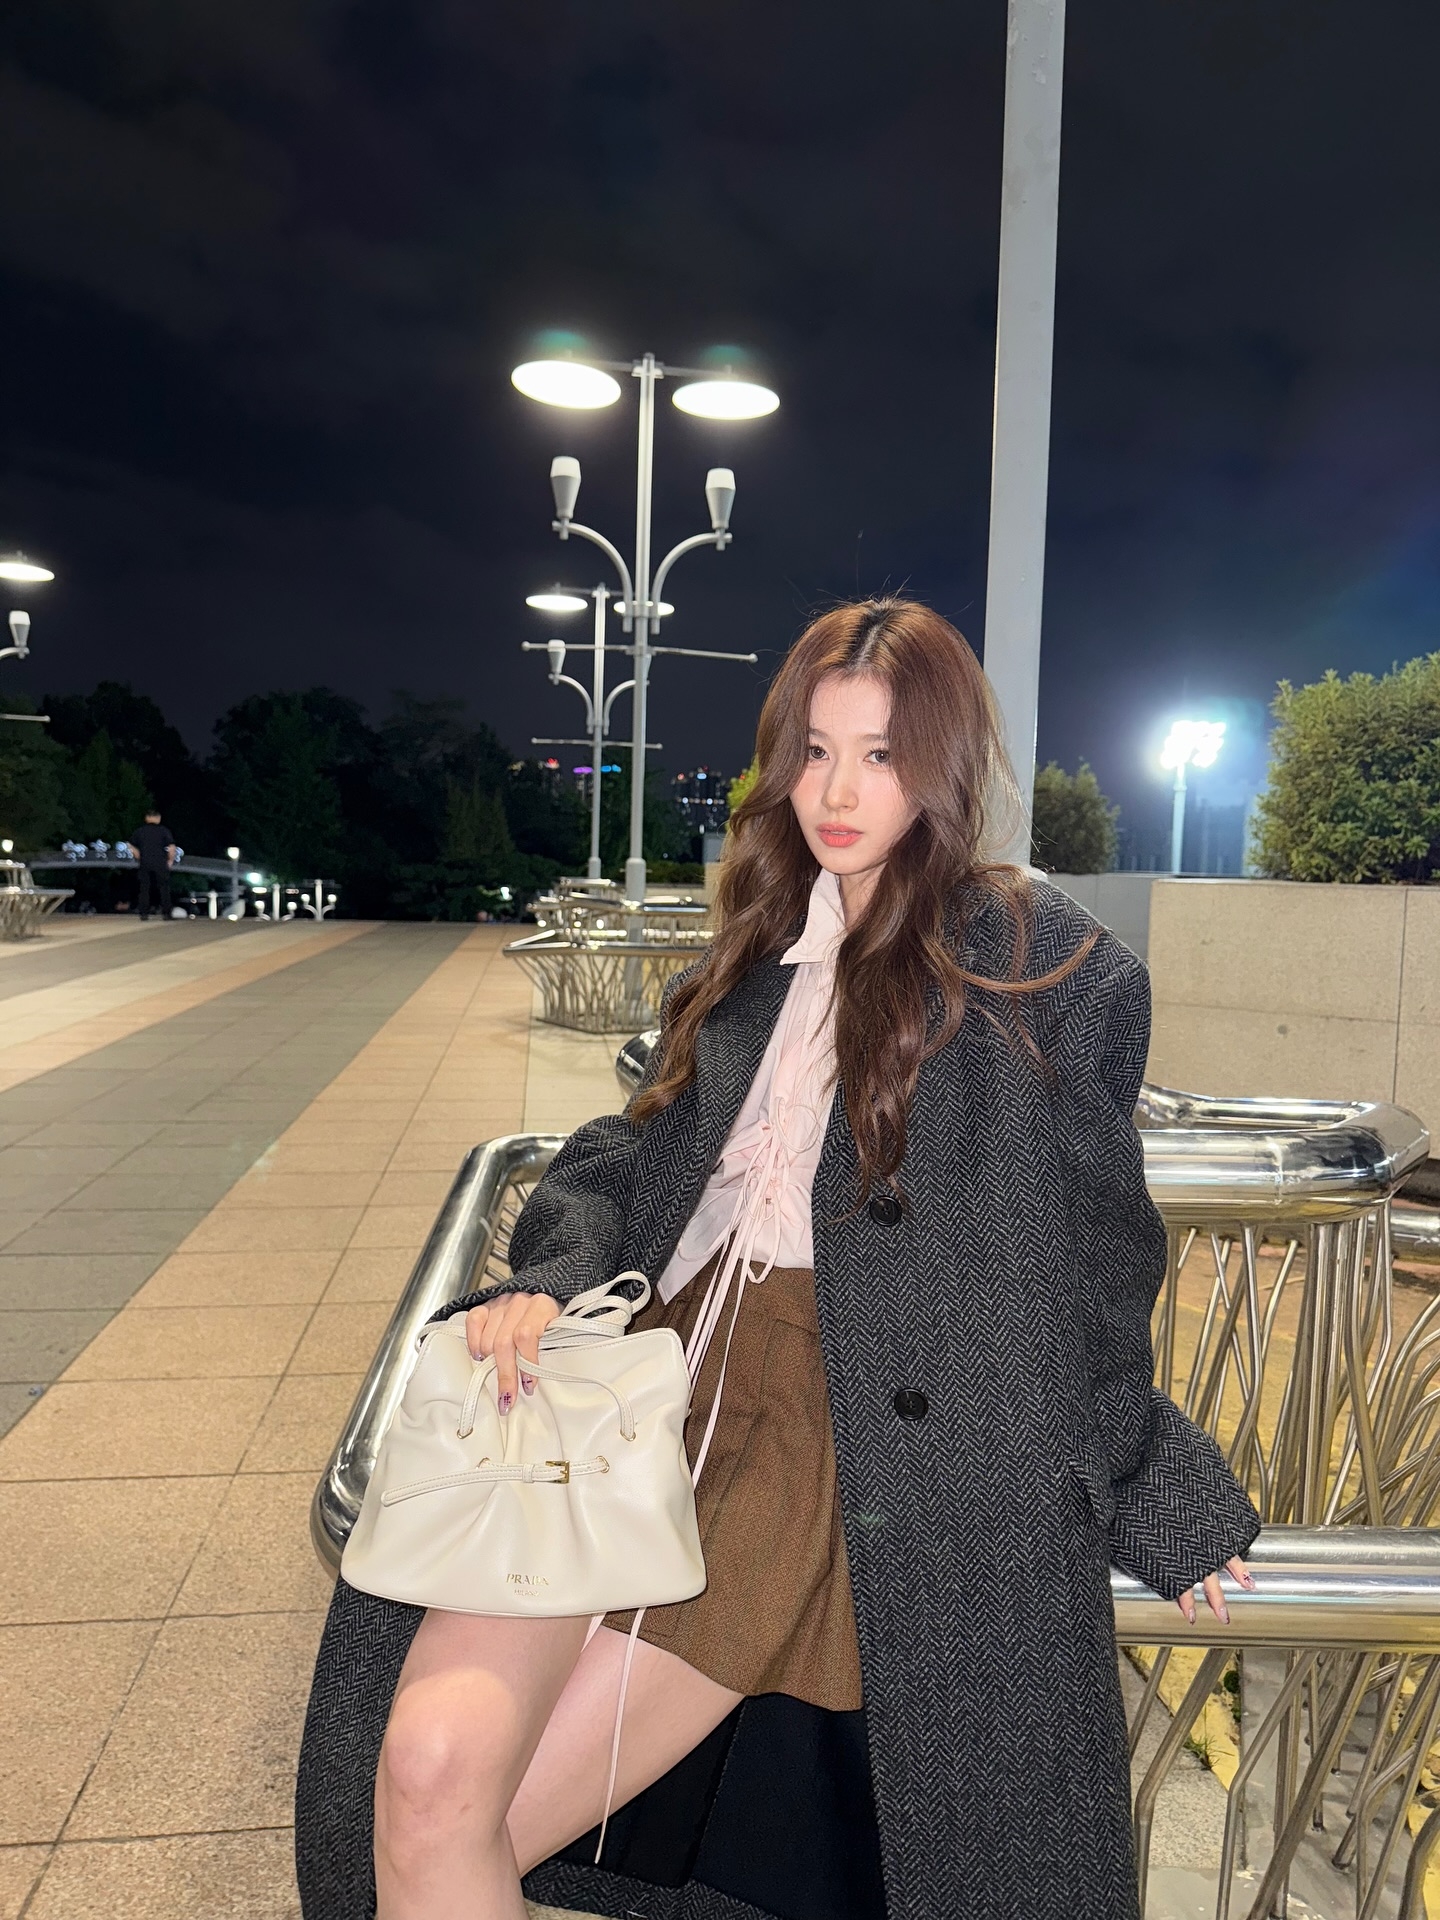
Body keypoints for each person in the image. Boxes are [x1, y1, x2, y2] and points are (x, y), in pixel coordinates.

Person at [295, 598, 1261, 1920]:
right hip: (632, 1393)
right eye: (814, 752)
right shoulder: (755, 947)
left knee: (462, 1829)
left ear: (943, 766)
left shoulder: (1045, 971)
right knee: (421, 1785)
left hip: (813, 1435)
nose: (838, 793)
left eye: (880, 754)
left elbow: (1093, 1270)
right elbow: (632, 1147)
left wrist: (1144, 1466)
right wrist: (550, 1274)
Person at [126, 810, 176, 921]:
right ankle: (166, 913)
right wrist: (170, 860)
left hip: (145, 862)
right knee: (164, 888)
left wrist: (138, 856)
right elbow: (172, 847)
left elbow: (130, 845)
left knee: (144, 888)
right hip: (160, 862)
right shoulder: (163, 830)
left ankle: (144, 913)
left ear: (147, 818)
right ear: (158, 818)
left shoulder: (140, 831)